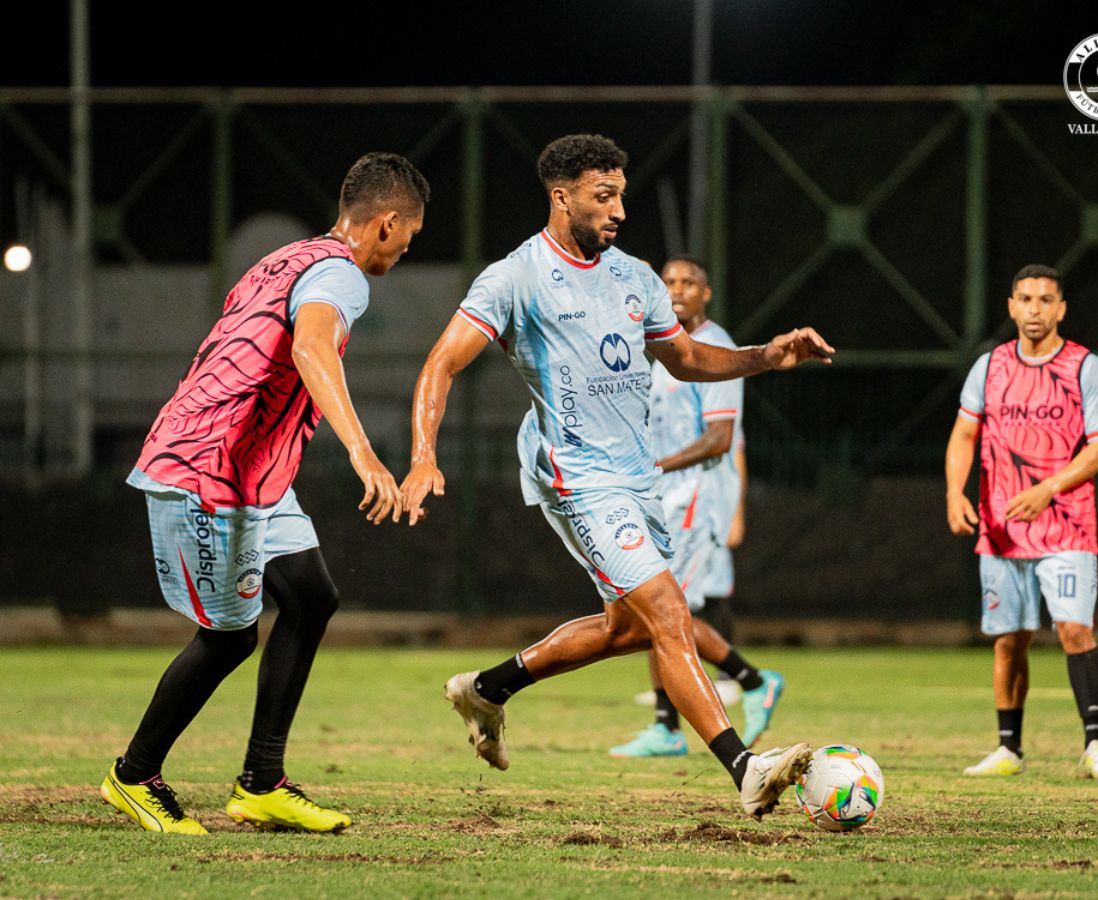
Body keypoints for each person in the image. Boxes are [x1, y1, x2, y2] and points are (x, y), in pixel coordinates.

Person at [399, 134, 834, 819]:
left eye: (621, 196)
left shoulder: (635, 278)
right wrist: (424, 455)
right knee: (669, 611)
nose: (619, 211)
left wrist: (766, 355)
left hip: (635, 477)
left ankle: (486, 689)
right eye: (605, 197)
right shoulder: (517, 277)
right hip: (574, 473)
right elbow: (441, 364)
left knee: (628, 630)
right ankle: (745, 769)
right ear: (561, 195)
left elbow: (685, 358)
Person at [100, 153, 430, 834]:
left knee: (311, 598)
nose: (404, 250)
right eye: (409, 236)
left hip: (255, 473)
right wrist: (365, 455)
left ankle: (261, 783)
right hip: (207, 468)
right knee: (228, 639)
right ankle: (133, 775)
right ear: (388, 222)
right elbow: (311, 347)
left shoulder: (285, 258)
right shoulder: (342, 275)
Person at [945, 264, 1098, 779]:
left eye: (1046, 300)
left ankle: (1096, 744)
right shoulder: (990, 367)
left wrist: (1049, 489)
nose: (1035, 310)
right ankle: (1009, 749)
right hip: (1001, 529)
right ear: (1011, 306)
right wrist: (955, 492)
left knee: (1073, 628)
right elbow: (963, 435)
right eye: (1025, 299)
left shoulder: (1085, 368)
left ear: (1061, 309)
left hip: (1066, 524)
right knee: (1009, 639)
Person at [610, 256, 782, 758]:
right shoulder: (663, 348)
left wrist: (657, 464)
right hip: (663, 495)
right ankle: (682, 718)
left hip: (695, 497)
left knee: (660, 611)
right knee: (655, 610)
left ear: (706, 293)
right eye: (669, 282)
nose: (678, 289)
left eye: (689, 282)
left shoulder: (718, 348)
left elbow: (720, 438)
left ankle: (746, 684)